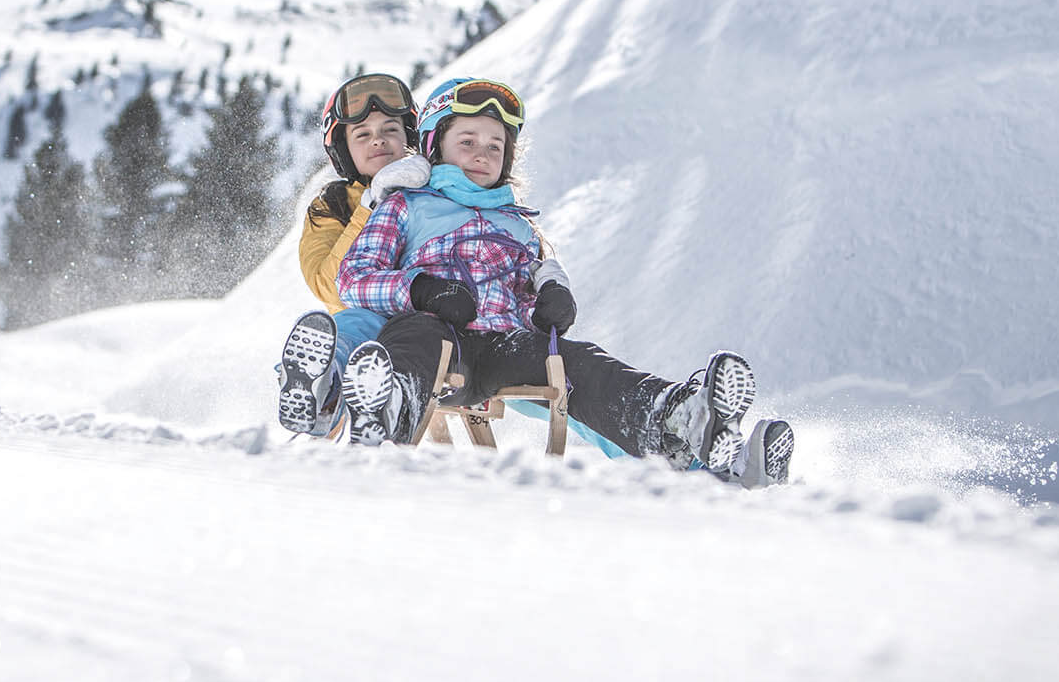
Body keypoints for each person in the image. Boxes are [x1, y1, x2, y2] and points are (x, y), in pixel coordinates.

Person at [334, 76, 793, 485]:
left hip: (502, 345)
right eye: (467, 140)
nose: (482, 153)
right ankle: (386, 409)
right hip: (436, 338)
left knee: (578, 362)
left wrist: (553, 294)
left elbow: (539, 274)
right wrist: (420, 290)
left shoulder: (517, 224)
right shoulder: (406, 205)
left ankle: (680, 420)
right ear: (435, 146)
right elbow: (353, 278)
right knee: (418, 336)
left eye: (495, 146)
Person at [276, 73, 432, 437]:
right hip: (365, 320)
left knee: (400, 336)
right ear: (344, 149)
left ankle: (353, 407)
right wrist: (370, 205)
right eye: (362, 134)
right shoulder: (331, 206)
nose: (378, 139)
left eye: (390, 129)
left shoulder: (438, 191)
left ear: (410, 138)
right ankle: (318, 390)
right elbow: (328, 286)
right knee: (352, 325)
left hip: (429, 319)